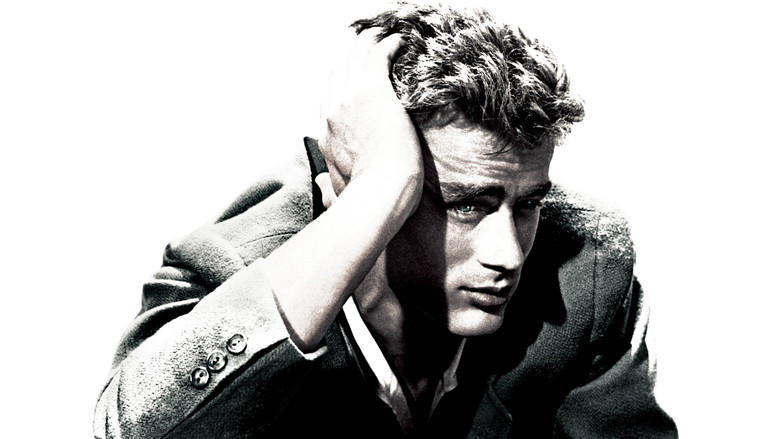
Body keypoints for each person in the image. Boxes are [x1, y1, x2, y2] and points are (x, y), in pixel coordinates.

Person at [94, 2, 677, 437]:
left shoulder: (584, 266)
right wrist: (377, 190)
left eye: (526, 205)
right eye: (465, 205)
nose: (508, 254)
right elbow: (131, 432)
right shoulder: (238, 266)